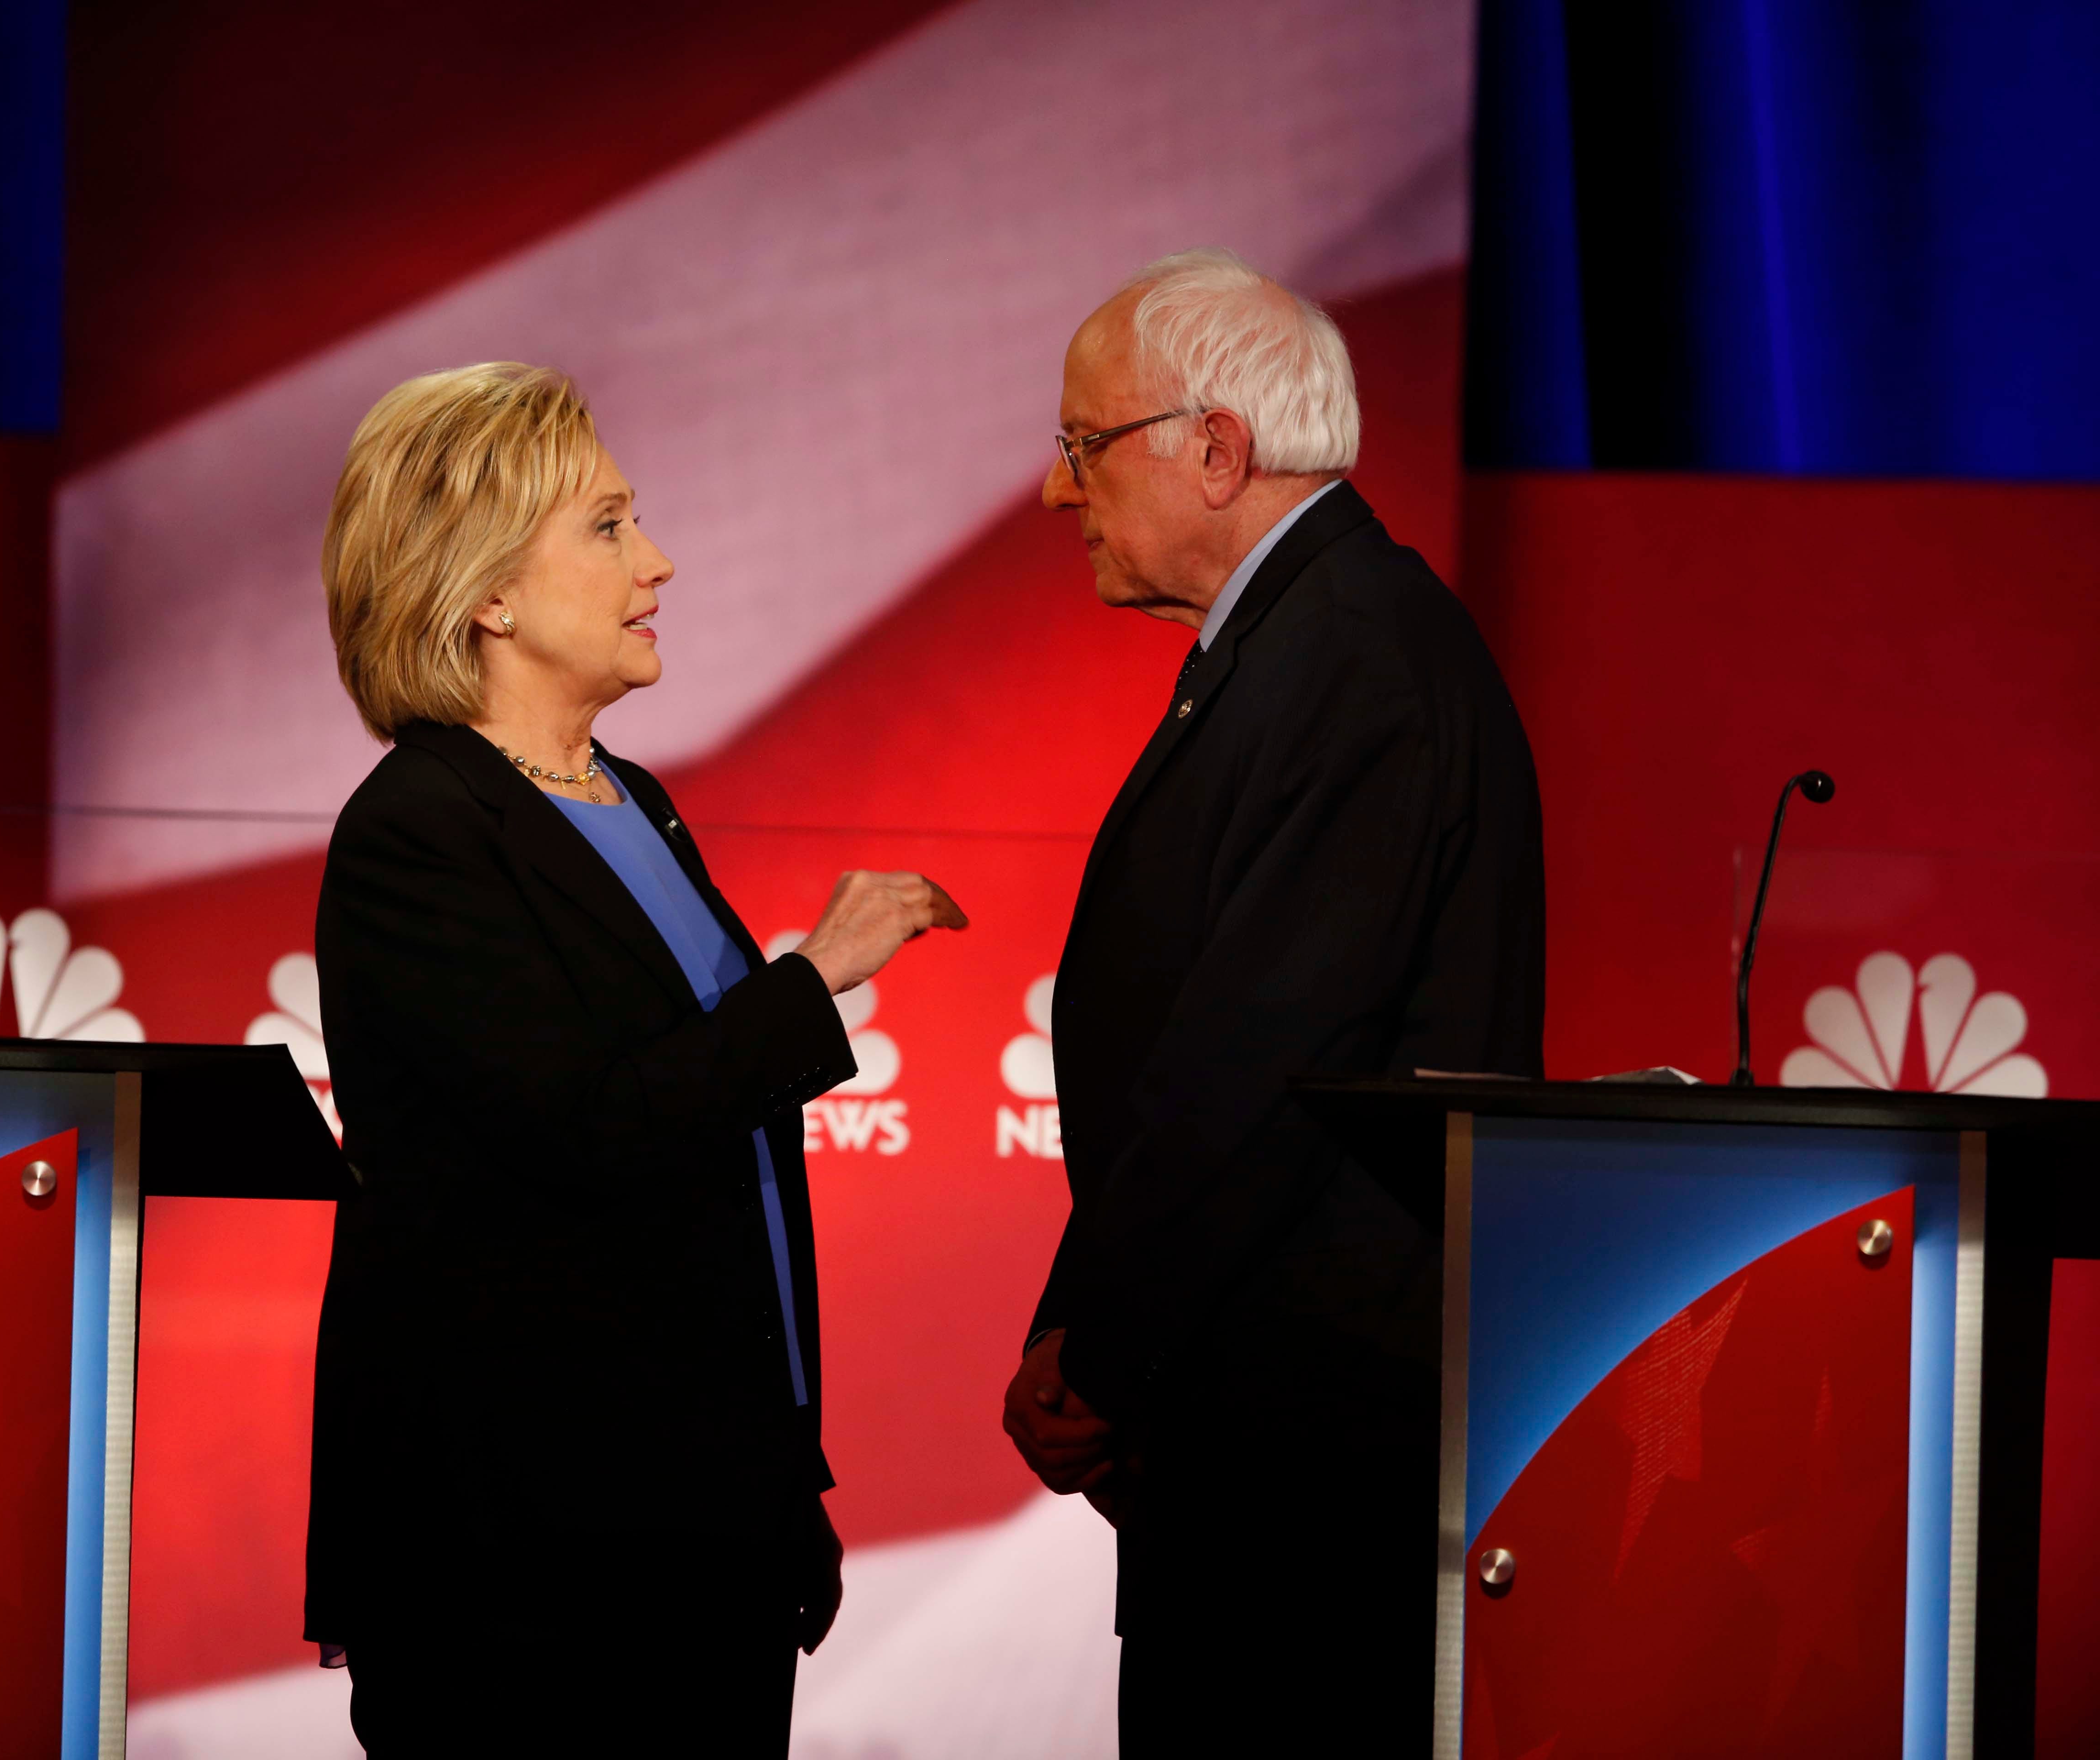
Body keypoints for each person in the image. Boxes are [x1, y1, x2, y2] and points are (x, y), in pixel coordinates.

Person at [302, 362, 965, 1756]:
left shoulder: (634, 801)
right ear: (485, 592)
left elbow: (715, 1188)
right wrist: (813, 978)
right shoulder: (419, 832)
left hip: (703, 1526)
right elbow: (579, 1137)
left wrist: (787, 1479)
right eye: (606, 528)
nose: (655, 561)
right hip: (528, 1569)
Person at [999, 251, 1545, 1750]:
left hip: (1308, 1456)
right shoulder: (1301, 645)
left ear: (1218, 451)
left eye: (1080, 448)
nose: (1059, 496)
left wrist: (1095, 1354)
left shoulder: (1351, 654)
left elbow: (1253, 1069)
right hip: (1259, 1425)